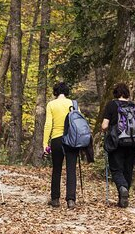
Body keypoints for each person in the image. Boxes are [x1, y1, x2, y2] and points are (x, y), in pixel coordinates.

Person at [102, 82, 135, 208]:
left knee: (116, 169)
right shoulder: (133, 106)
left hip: (117, 142)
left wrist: (106, 131)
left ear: (115, 93)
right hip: (133, 142)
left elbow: (104, 125)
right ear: (127, 93)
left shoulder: (111, 105)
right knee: (128, 169)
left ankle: (122, 188)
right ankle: (123, 198)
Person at [42, 81, 79, 209]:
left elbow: (48, 125)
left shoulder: (51, 104)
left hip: (57, 139)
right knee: (71, 169)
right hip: (72, 140)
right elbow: (78, 122)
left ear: (55, 92)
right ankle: (71, 200)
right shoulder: (73, 104)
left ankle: (55, 199)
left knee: (56, 169)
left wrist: (45, 143)